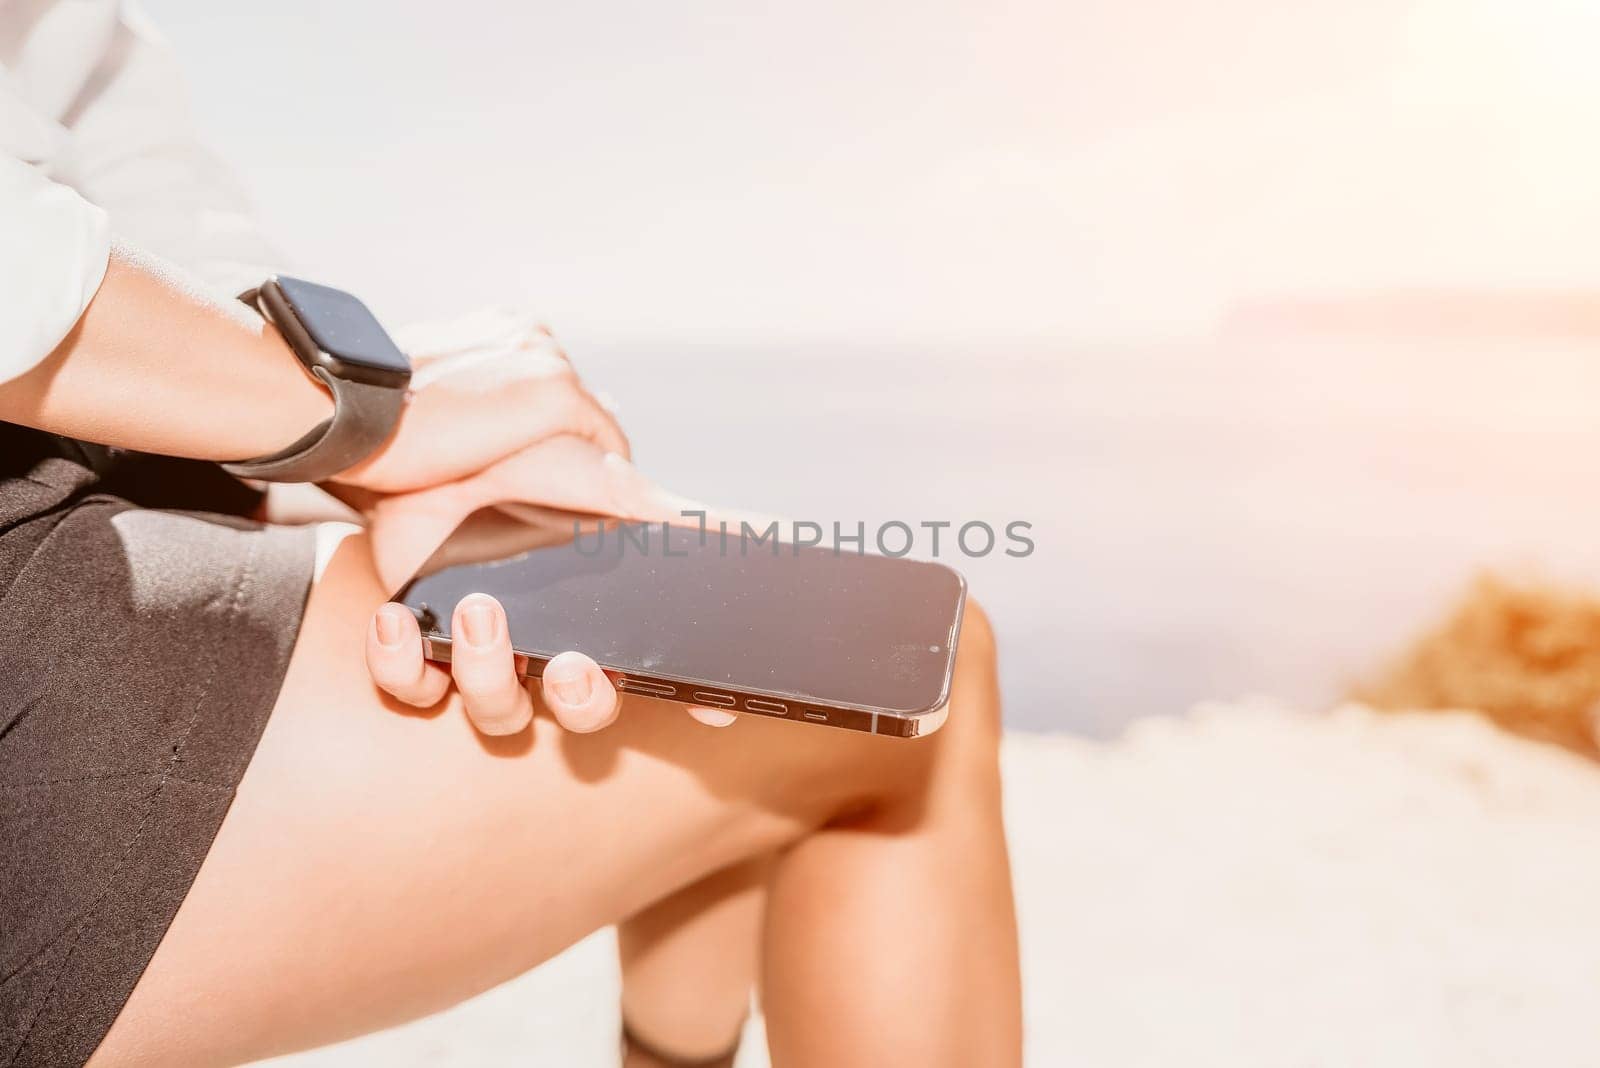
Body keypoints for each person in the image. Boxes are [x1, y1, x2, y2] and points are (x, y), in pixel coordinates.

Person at [0, 4, 1022, 1066]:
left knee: (723, 652)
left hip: (108, 438)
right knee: (901, 713)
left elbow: (113, 144)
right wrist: (361, 421)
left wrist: (374, 442)